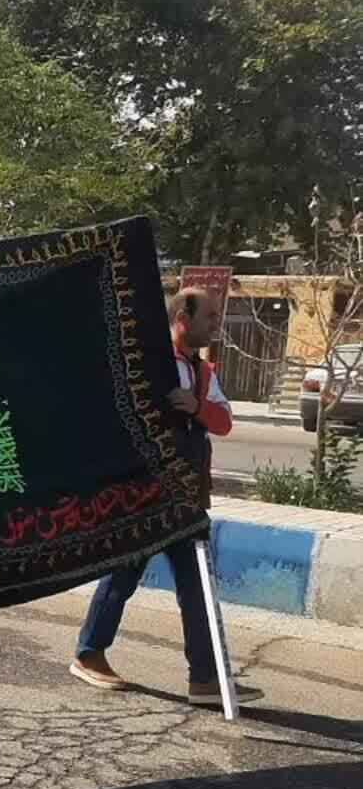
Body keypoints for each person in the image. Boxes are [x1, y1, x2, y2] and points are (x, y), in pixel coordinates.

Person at [70, 286, 266, 707]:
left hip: (189, 498)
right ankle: (89, 655)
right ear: (182, 319)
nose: (217, 323)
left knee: (198, 589)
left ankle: (205, 679)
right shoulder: (148, 365)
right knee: (123, 575)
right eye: (210, 316)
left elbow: (224, 420)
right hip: (146, 495)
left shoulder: (204, 372)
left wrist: (195, 406)